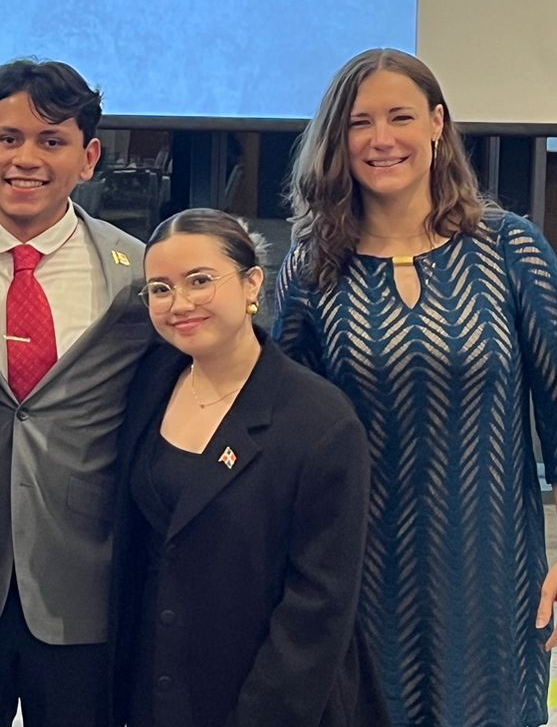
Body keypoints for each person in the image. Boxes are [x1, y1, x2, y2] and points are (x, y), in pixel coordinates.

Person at [273, 47, 557, 727]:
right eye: (360, 122)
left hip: (494, 575)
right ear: (337, 140)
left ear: (437, 125)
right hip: (360, 577)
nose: (381, 139)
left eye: (400, 116)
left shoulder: (511, 250)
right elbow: (280, 438)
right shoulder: (311, 269)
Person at [111, 210, 386, 727]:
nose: (180, 303)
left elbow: (318, 608)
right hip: (157, 693)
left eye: (200, 281)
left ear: (251, 282)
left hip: (263, 700)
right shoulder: (151, 383)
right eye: (160, 289)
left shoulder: (318, 421)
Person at [0, 59, 151, 727]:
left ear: (88, 158)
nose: (25, 158)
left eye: (51, 141)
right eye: (7, 138)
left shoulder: (138, 274)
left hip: (83, 585)